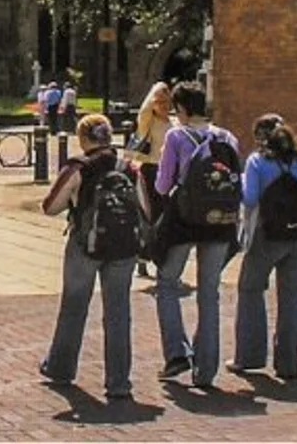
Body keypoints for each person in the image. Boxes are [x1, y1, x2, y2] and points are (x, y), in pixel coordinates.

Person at [38, 113, 138, 401]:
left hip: (86, 244)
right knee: (118, 312)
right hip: (123, 247)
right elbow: (144, 207)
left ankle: (61, 368)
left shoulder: (79, 167)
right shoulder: (128, 168)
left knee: (74, 306)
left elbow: (50, 206)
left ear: (83, 138)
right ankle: (119, 381)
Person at [151, 81, 241, 388]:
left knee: (167, 283)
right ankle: (206, 370)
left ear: (182, 108)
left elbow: (162, 185)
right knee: (209, 292)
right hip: (220, 221)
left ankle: (176, 353)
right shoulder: (227, 137)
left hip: (184, 221)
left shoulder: (177, 136)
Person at [233, 114, 297, 380]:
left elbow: (250, 198)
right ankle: (288, 364)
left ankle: (249, 357)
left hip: (267, 235)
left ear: (260, 138)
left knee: (250, 289)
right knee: (291, 298)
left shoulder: (257, 162)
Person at [126, 81, 174, 277]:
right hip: (151, 170)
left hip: (169, 172)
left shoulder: (173, 123)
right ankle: (144, 257)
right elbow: (144, 110)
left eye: (167, 102)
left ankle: (161, 257)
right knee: (150, 215)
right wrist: (157, 88)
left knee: (166, 216)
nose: (164, 106)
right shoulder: (148, 121)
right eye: (159, 102)